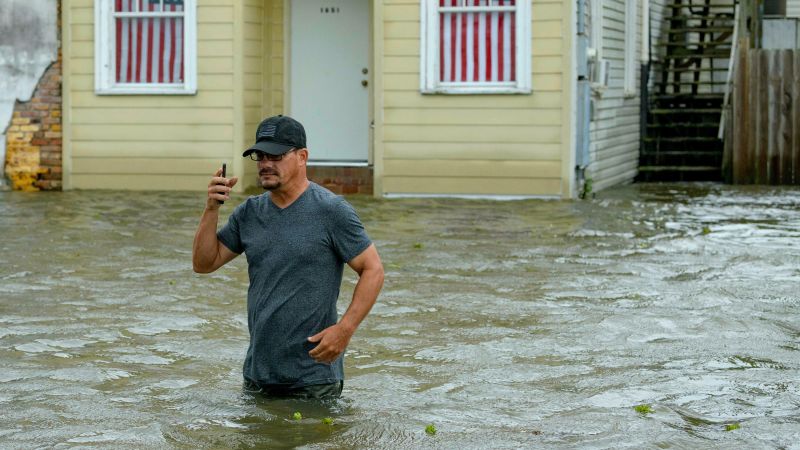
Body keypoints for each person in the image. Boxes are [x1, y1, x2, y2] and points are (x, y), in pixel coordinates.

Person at [192, 115, 384, 400]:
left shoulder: (331, 211)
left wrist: (345, 329)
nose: (266, 163)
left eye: (276, 155)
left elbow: (373, 270)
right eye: (260, 155)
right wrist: (211, 209)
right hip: (258, 374)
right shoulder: (249, 213)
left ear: (302, 156)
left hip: (313, 379)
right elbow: (204, 264)